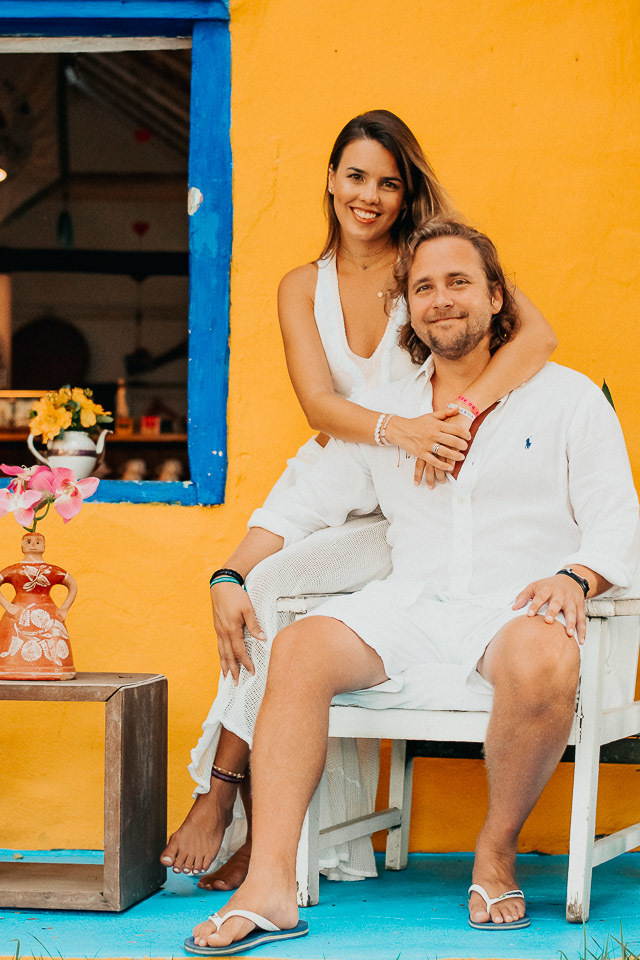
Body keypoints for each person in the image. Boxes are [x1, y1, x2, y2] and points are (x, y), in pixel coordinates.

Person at [184, 218, 639, 954]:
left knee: (544, 656)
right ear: (409, 308)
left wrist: (575, 575)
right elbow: (302, 499)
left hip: (516, 605)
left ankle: (495, 852)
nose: (441, 300)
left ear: (496, 298)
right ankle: (269, 885)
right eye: (424, 287)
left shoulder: (569, 399)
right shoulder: (390, 411)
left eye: (459, 282)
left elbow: (619, 518)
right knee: (298, 648)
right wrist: (232, 570)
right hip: (410, 604)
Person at [162, 110, 557, 887]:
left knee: (276, 590)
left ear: (406, 191)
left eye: (388, 180)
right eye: (355, 176)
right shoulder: (301, 286)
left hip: (414, 496)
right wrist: (399, 430)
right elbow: (318, 405)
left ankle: (228, 798)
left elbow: (536, 338)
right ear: (331, 181)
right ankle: (234, 804)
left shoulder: (431, 270)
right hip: (343, 470)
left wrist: (460, 417)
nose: (369, 195)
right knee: (254, 585)